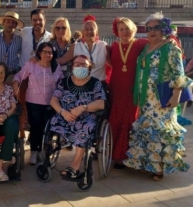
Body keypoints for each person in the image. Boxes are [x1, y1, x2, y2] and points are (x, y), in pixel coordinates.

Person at [123, 12, 190, 181]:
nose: (152, 31)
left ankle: (158, 168)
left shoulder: (171, 47)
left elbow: (178, 73)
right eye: (148, 29)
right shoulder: (147, 48)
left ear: (164, 29)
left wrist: (176, 95)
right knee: (148, 130)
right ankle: (148, 164)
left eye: (156, 28)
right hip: (146, 99)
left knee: (160, 131)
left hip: (162, 98)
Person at [50, 55, 106, 178]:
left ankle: (75, 166)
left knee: (85, 128)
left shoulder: (95, 83)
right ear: (72, 66)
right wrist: (63, 112)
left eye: (84, 65)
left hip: (86, 118)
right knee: (53, 123)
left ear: (89, 67)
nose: (80, 67)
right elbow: (54, 100)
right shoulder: (64, 82)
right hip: (65, 116)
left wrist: (83, 108)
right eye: (77, 64)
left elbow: (101, 103)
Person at [13, 42, 63, 165]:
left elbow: (62, 83)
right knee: (36, 127)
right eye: (45, 52)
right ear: (39, 53)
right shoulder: (31, 65)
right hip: (33, 102)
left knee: (47, 128)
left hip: (50, 103)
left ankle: (43, 151)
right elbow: (19, 77)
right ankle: (34, 152)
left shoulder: (56, 67)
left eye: (50, 52)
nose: (48, 55)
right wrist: (15, 85)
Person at [108, 17, 149, 169]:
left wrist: (170, 40)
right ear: (117, 32)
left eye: (127, 28)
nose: (125, 31)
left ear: (134, 29)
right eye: (121, 29)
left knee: (130, 119)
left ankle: (128, 156)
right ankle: (113, 154)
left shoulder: (141, 44)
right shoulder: (113, 46)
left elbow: (157, 44)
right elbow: (109, 62)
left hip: (133, 88)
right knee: (115, 118)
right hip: (116, 88)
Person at [17, 9, 52, 141]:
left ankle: (34, 133)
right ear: (31, 21)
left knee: (36, 107)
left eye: (40, 20)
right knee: (22, 106)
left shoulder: (49, 37)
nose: (37, 22)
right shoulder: (24, 32)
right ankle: (21, 135)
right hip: (24, 74)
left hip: (40, 77)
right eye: (34, 20)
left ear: (45, 21)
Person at [57, 15, 109, 84]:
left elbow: (114, 64)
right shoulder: (76, 46)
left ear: (96, 32)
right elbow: (62, 60)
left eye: (92, 29)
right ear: (83, 32)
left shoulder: (103, 46)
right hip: (82, 86)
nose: (89, 32)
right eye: (86, 29)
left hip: (100, 85)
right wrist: (40, 60)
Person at [0, 11, 24, 84]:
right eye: (8, 22)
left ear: (16, 25)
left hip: (13, 75)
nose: (10, 24)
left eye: (13, 22)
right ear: (3, 23)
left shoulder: (19, 39)